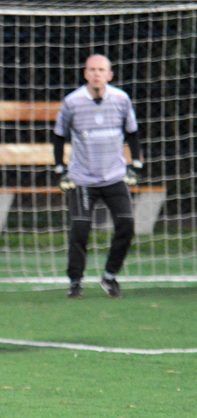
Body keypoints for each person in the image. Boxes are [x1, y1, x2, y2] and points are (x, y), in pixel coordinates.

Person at [54, 54, 143, 299]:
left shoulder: (121, 99)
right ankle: (75, 282)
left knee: (127, 224)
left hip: (114, 176)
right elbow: (59, 136)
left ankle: (110, 277)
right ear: (85, 74)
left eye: (101, 70)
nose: (96, 74)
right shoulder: (72, 102)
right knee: (80, 229)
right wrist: (60, 170)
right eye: (92, 69)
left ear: (109, 75)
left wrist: (136, 164)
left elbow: (132, 133)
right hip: (82, 178)